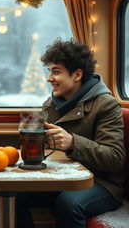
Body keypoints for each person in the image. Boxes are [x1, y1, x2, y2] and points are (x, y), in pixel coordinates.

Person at [16, 39, 125, 228]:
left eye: (56, 71)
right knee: (12, 194)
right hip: (61, 177)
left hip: (100, 183)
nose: (49, 78)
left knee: (69, 202)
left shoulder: (106, 105)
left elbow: (114, 158)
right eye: (49, 71)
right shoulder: (50, 105)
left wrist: (72, 143)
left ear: (77, 75)